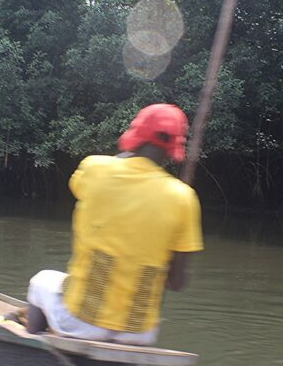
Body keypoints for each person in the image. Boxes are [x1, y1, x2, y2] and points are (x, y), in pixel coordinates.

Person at [26, 103, 203, 345]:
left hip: (82, 320)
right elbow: (176, 283)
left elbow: (80, 186)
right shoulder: (184, 197)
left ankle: (36, 353)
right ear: (173, 148)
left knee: (40, 281)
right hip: (139, 333)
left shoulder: (94, 168)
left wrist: (124, 158)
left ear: (137, 133)